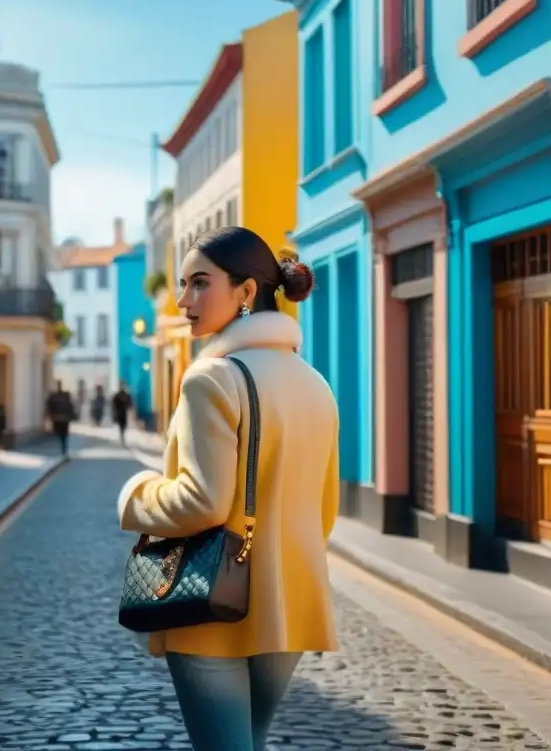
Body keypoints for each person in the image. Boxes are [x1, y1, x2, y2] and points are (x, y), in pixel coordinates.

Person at [116, 226, 339, 751]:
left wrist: (136, 494)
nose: (183, 300)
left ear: (245, 293)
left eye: (199, 284)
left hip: (212, 602)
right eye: (182, 284)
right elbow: (324, 510)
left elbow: (201, 502)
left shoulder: (210, 379)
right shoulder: (315, 383)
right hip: (289, 600)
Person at [46, 382, 74, 457]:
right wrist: (71, 416)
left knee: (59, 434)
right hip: (64, 418)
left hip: (57, 418)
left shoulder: (53, 396)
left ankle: (61, 450)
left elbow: (49, 406)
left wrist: (50, 416)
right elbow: (71, 406)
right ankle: (63, 449)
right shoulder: (66, 395)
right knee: (63, 435)